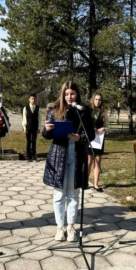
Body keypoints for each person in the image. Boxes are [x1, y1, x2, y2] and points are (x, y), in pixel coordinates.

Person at [42, 81, 95, 242]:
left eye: (72, 94)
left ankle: (71, 227)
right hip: (59, 156)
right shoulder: (54, 111)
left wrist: (81, 138)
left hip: (77, 156)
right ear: (62, 95)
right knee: (59, 194)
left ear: (77, 94)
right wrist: (47, 130)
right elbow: (46, 135)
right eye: (66, 94)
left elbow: (91, 134)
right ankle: (60, 227)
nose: (69, 97)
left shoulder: (83, 112)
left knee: (73, 193)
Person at [86, 92, 110, 192]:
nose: (98, 101)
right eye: (96, 99)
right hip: (90, 139)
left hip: (99, 139)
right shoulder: (88, 111)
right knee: (89, 162)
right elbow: (85, 124)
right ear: (93, 100)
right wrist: (92, 129)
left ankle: (96, 184)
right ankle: (85, 182)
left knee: (97, 162)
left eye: (99, 100)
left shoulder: (104, 112)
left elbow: (109, 127)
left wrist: (103, 128)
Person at [22, 94, 41, 162]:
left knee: (34, 141)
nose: (33, 100)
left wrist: (39, 128)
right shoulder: (26, 108)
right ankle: (28, 156)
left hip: (35, 127)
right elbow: (24, 118)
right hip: (28, 127)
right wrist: (24, 127)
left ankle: (34, 155)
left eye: (34, 99)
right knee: (28, 141)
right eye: (32, 99)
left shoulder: (38, 108)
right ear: (29, 99)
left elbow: (39, 118)